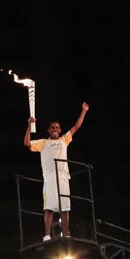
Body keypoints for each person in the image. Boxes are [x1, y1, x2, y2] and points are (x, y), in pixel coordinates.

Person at [24, 102, 89, 241]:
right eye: (53, 127)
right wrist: (29, 125)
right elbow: (27, 143)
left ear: (60, 130)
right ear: (48, 130)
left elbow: (76, 127)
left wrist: (84, 111)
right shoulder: (43, 143)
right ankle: (47, 235)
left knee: (65, 208)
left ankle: (66, 234)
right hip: (50, 179)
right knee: (48, 207)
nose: (55, 129)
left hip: (63, 177)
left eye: (57, 127)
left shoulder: (64, 140)